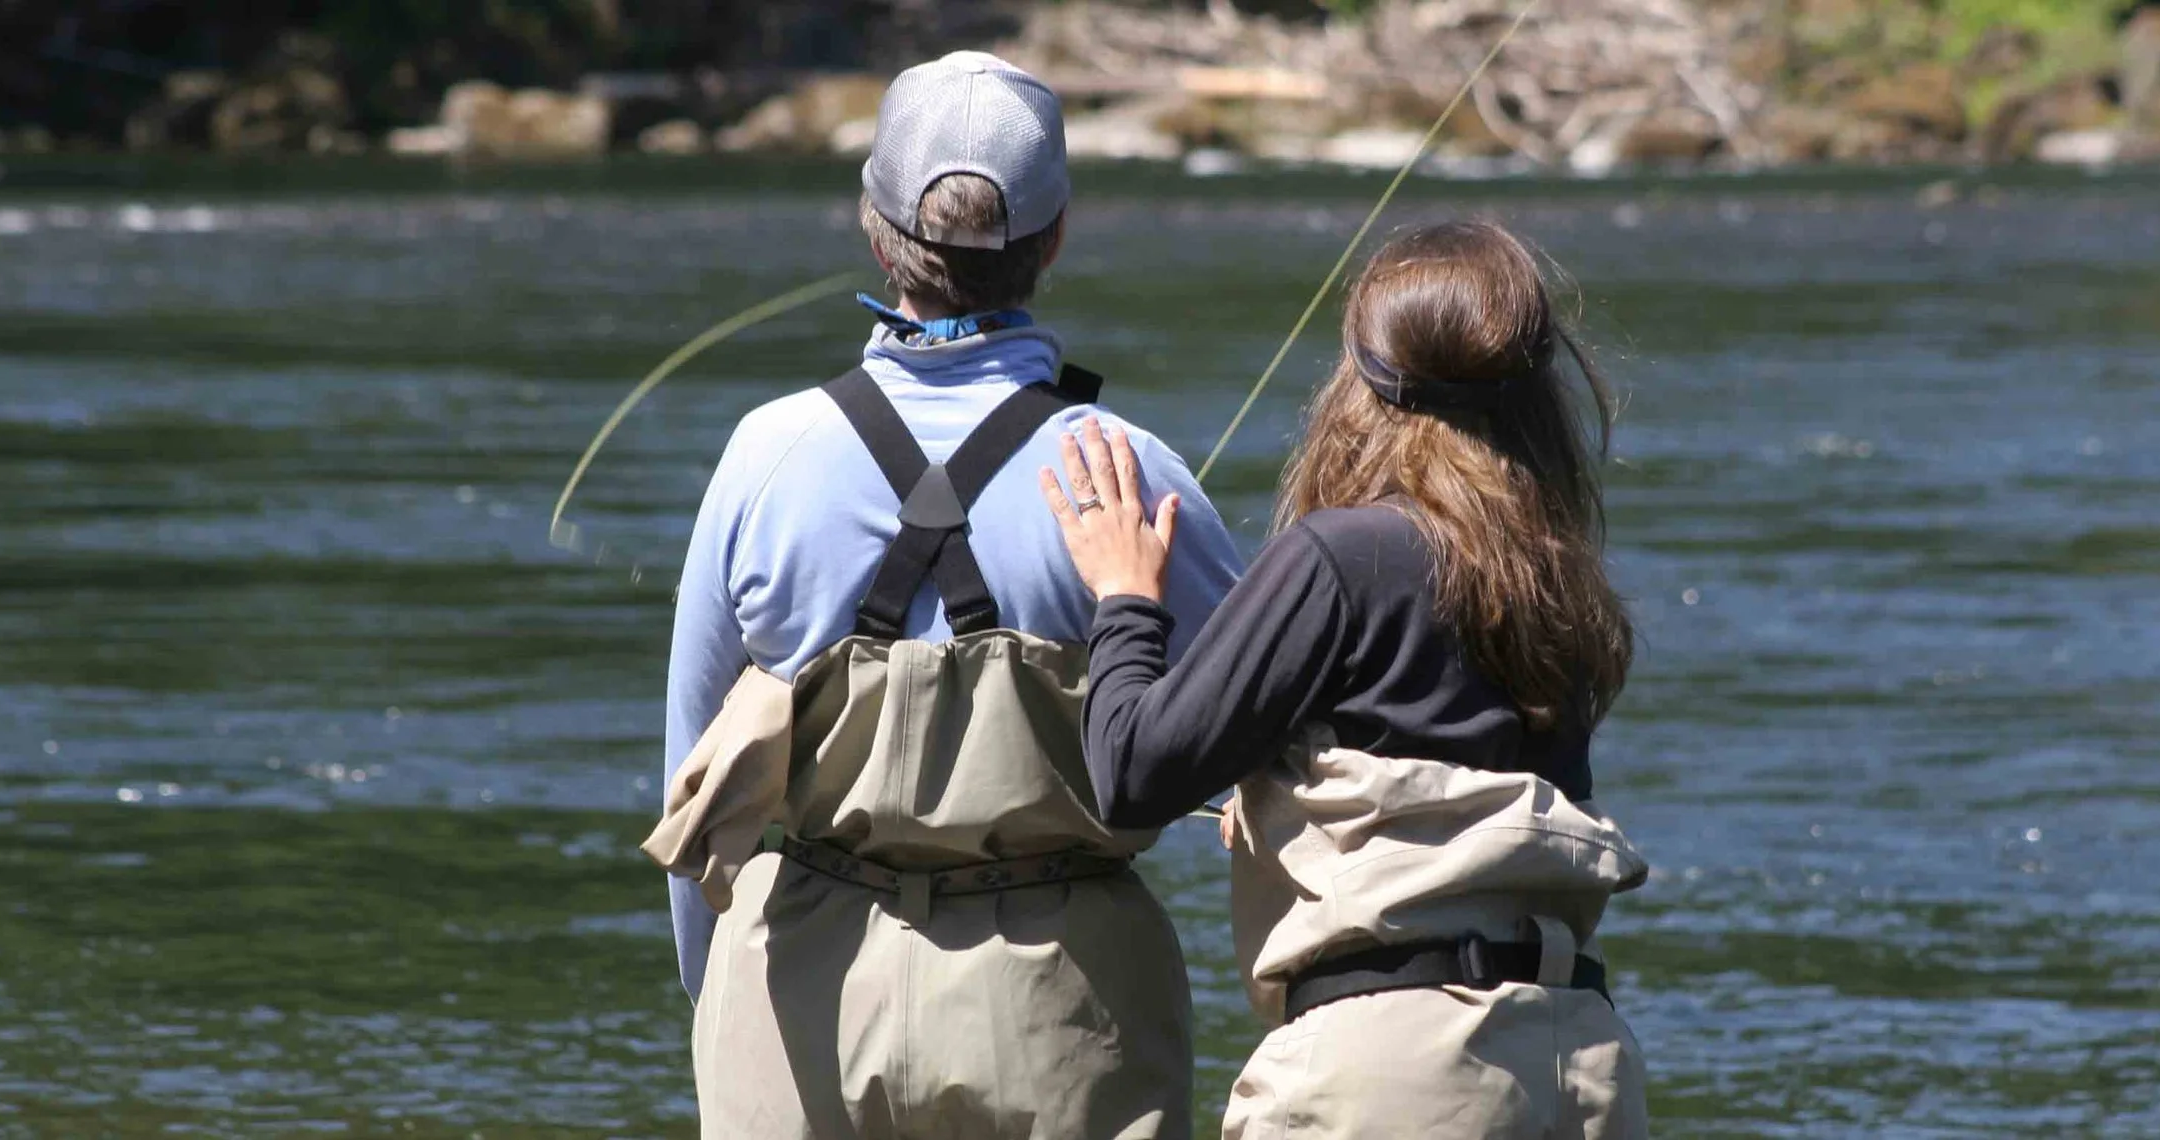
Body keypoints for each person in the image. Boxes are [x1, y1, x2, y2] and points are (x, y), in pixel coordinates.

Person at [641, 51, 1243, 1140]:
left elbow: (692, 773)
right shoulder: (1127, 473)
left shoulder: (763, 455)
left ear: (876, 233)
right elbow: (1269, 746)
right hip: (1062, 1004)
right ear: (1054, 240)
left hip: (799, 993)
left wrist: (717, 998)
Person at [1040, 220, 1652, 1138]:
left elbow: (1131, 774)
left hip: (1393, 1072)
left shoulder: (1342, 556)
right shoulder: (1558, 582)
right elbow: (1452, 775)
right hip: (1576, 1059)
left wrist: (1125, 595)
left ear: (1360, 382)